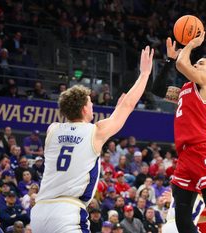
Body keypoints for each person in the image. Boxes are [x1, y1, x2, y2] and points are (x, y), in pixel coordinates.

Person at [31, 46, 154, 233]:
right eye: (90, 102)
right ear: (83, 109)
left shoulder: (53, 130)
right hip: (67, 211)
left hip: (40, 211)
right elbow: (128, 105)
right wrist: (144, 74)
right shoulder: (96, 131)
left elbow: (74, 134)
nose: (93, 105)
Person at [152, 33, 206, 233]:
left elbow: (183, 64)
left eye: (202, 63)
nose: (197, 64)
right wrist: (169, 60)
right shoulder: (184, 90)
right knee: (181, 216)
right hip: (185, 155)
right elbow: (157, 89)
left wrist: (190, 44)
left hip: (203, 149)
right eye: (196, 62)